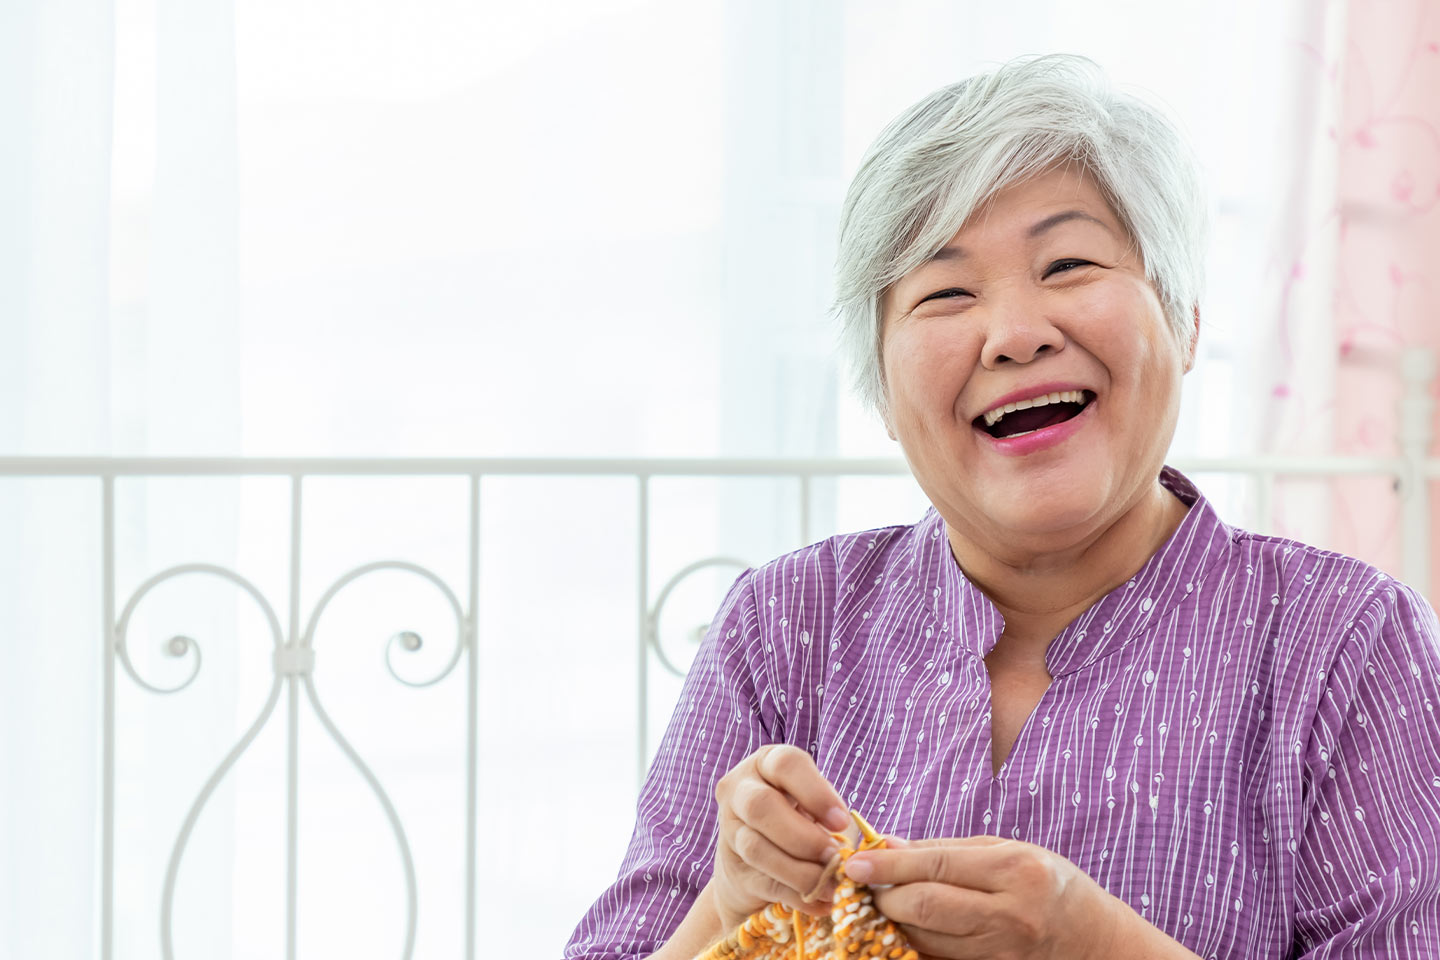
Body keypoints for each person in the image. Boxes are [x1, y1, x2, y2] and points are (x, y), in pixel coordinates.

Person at [563, 54, 1440, 959]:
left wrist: (1092, 944)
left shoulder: (1350, 643)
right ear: (882, 394)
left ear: (1183, 322)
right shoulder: (784, 626)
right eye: (945, 293)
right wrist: (729, 906)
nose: (1017, 335)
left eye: (1067, 263)